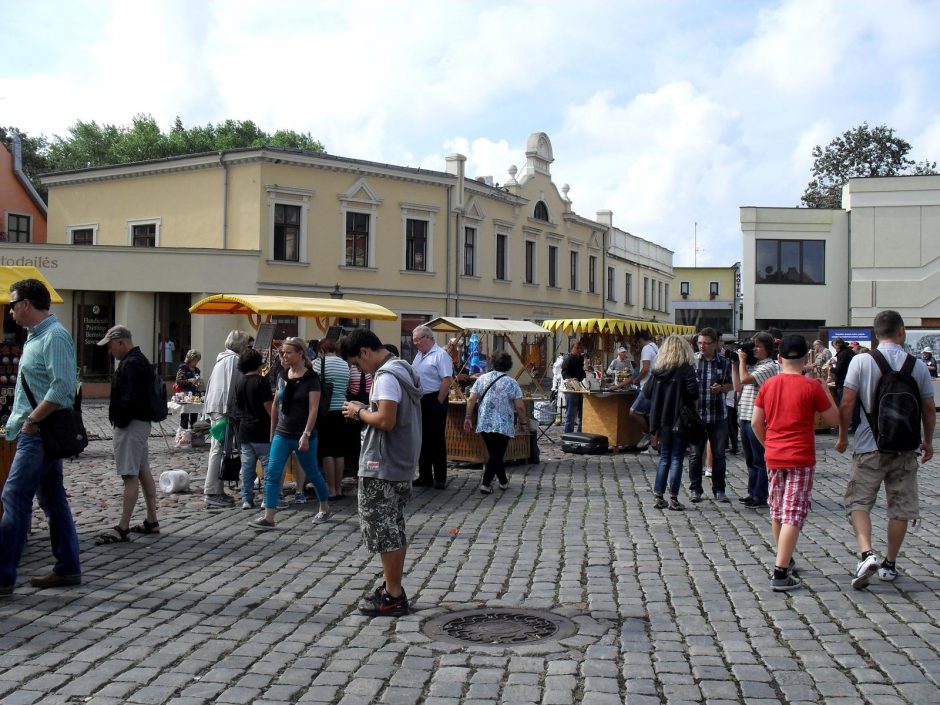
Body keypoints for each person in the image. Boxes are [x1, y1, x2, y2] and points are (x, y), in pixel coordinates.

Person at [836, 310, 935, 589]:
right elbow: (928, 407)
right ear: (901, 332)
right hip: (905, 448)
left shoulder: (861, 361)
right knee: (900, 507)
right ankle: (890, 565)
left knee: (858, 502)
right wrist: (927, 440)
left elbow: (846, 402)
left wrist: (843, 436)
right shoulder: (916, 365)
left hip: (869, 446)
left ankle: (867, 553)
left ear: (876, 334)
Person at [0, 279, 82, 595]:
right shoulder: (38, 337)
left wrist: (32, 422)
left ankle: (4, 575)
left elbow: (62, 388)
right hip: (36, 432)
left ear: (26, 304)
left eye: (12, 302)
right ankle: (67, 567)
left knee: (14, 497)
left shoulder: (54, 337)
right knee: (52, 499)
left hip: (38, 433)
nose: (10, 310)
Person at [341, 329, 422, 617]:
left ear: (365, 352)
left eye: (357, 363)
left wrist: (357, 412)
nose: (359, 370)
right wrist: (367, 408)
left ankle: (393, 595)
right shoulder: (404, 368)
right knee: (393, 530)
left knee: (384, 531)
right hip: (399, 461)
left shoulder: (386, 376)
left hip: (382, 464)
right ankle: (392, 588)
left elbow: (386, 420)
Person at [752, 335, 840, 592]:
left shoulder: (768, 385)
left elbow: (757, 423)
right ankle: (780, 572)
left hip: (774, 455)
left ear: (779, 358)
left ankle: (785, 558)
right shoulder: (810, 387)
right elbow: (833, 419)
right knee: (793, 513)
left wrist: (768, 445)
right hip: (800, 456)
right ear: (805, 360)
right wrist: (825, 389)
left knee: (778, 510)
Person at [250, 337, 332, 529]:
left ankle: (325, 506)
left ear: (300, 353)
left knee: (312, 471)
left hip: (303, 434)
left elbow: (313, 409)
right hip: (283, 433)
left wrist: (306, 434)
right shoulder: (282, 376)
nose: (283, 356)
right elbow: (276, 406)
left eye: (288, 353)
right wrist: (272, 433)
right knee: (272, 473)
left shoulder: (312, 379)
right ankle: (269, 517)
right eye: (282, 353)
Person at [95, 325, 161, 544]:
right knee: (142, 471)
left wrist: (120, 420)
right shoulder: (140, 359)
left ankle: (123, 527)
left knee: (129, 475)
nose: (109, 351)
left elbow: (128, 397)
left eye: (111, 346)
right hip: (140, 423)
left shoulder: (131, 364)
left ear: (121, 342)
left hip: (131, 424)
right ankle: (152, 520)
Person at [644, 335, 698, 511]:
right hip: (680, 418)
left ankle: (659, 494)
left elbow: (647, 392)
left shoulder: (658, 371)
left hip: (662, 419)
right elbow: (693, 393)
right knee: (676, 458)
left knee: (665, 457)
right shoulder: (686, 369)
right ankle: (674, 497)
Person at [463, 351, 528, 494]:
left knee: (495, 453)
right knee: (497, 454)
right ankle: (485, 483)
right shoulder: (512, 383)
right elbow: (520, 406)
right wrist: (523, 423)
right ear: (508, 365)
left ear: (493, 363)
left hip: (485, 422)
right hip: (503, 424)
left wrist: (468, 417)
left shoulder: (482, 379)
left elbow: (472, 399)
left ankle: (503, 481)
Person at [202, 330, 250, 508]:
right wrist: (231, 412)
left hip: (217, 409)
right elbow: (232, 388)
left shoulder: (222, 359)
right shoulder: (233, 361)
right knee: (218, 449)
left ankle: (217, 489)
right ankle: (212, 491)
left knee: (219, 449)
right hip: (224, 411)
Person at [688, 328, 733, 503]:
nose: (702, 346)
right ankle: (695, 490)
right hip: (697, 416)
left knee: (719, 454)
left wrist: (721, 388)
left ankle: (719, 489)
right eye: (700, 343)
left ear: (714, 344)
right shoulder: (693, 361)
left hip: (717, 415)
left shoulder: (723, 362)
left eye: (706, 343)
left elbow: (731, 385)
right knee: (695, 454)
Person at [734, 332, 779, 508]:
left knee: (760, 460)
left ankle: (760, 495)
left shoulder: (768, 367)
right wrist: (735, 363)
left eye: (758, 346)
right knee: (750, 459)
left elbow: (745, 379)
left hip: (757, 419)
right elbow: (738, 385)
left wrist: (743, 361)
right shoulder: (755, 365)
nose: (754, 349)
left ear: (767, 349)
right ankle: (752, 492)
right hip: (745, 415)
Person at [411, 325, 453, 489]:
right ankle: (425, 475)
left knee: (436, 439)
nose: (415, 343)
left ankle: (440, 477)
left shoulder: (440, 355)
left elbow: (447, 380)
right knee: (422, 439)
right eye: (414, 340)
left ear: (428, 338)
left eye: (417, 340)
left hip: (434, 398)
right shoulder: (419, 355)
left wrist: (438, 402)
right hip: (421, 399)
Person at [232, 348, 272, 510]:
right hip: (262, 430)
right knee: (268, 468)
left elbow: (238, 407)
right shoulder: (262, 382)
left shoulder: (239, 383)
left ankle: (246, 499)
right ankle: (267, 499)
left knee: (247, 469)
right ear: (258, 364)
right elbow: (268, 406)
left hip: (245, 430)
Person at [316, 338, 351, 500]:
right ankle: (339, 487)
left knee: (327, 451)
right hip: (342, 409)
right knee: (339, 451)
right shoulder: (344, 364)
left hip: (326, 410)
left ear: (321, 351)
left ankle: (331, 489)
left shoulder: (318, 363)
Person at [630, 330, 660, 447]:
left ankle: (647, 434)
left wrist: (636, 379)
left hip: (647, 386)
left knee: (633, 412)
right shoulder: (654, 347)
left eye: (636, 342)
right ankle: (654, 443)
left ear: (639, 340)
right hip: (654, 385)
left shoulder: (646, 349)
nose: (637, 345)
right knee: (651, 415)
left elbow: (645, 368)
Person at [560, 341, 587, 433]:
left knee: (582, 415)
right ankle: (568, 436)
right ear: (572, 349)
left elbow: (584, 372)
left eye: (580, 348)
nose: (579, 350)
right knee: (571, 415)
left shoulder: (581, 359)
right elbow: (564, 373)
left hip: (581, 389)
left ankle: (580, 435)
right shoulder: (568, 359)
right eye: (577, 348)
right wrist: (572, 381)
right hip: (571, 390)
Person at [175, 349, 202, 430]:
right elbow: (178, 381)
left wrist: (198, 384)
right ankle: (184, 437)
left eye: (197, 361)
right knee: (185, 418)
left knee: (194, 418)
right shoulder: (183, 368)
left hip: (195, 396)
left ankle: (194, 435)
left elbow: (198, 381)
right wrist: (189, 380)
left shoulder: (197, 370)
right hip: (185, 396)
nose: (196, 363)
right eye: (195, 360)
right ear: (190, 359)